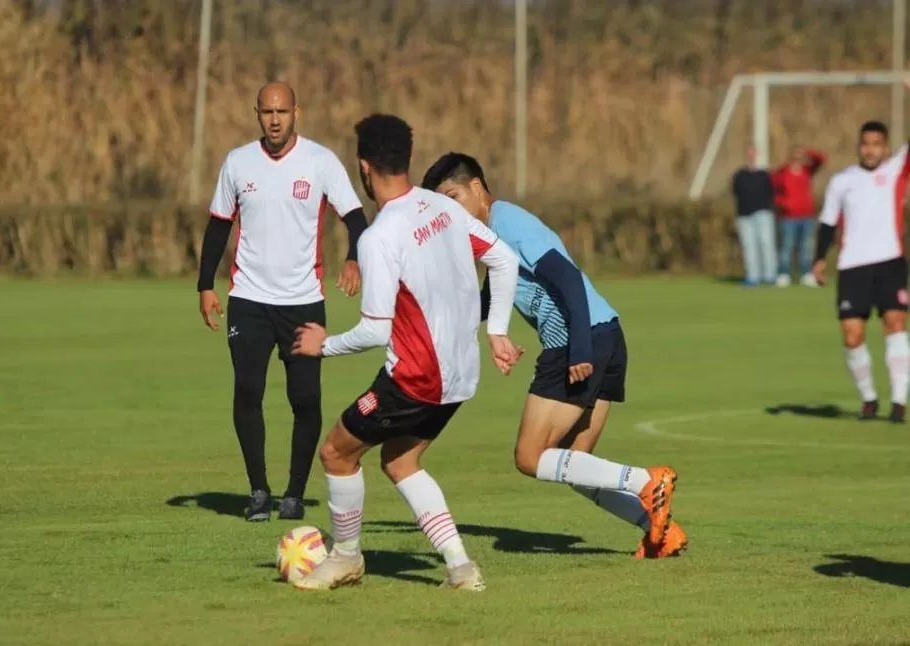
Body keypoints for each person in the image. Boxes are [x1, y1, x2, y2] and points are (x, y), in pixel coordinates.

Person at [290, 114, 521, 592]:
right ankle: (461, 568)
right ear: (407, 159)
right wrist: (496, 329)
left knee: (335, 453)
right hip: (460, 377)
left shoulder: (379, 238)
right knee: (400, 462)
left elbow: (376, 330)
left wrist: (322, 346)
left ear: (363, 167)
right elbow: (504, 258)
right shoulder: (443, 208)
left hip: (416, 380)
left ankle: (345, 558)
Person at [421, 152, 686, 559]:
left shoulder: (507, 221)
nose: (448, 210)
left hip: (580, 341)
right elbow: (492, 295)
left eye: (452, 197)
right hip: (607, 335)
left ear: (478, 188)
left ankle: (646, 480)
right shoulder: (493, 235)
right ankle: (657, 528)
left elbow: (566, 278)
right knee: (574, 465)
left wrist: (578, 348)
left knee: (530, 457)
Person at [196, 82, 369, 522]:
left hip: (303, 302)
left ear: (297, 112)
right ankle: (258, 491)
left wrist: (353, 259)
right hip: (249, 300)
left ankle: (293, 493)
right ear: (256, 113)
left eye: (283, 111)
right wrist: (205, 285)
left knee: (306, 399)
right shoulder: (237, 162)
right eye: (267, 112)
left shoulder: (320, 161)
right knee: (248, 391)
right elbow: (218, 226)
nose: (275, 119)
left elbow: (356, 219)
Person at [812, 120, 910, 423]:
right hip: (852, 268)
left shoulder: (895, 170)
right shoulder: (842, 181)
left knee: (895, 324)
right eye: (865, 143)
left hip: (890, 263)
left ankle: (898, 401)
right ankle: (868, 398)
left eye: (876, 144)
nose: (870, 149)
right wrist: (819, 258)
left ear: (886, 148)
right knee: (852, 336)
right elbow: (828, 222)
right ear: (859, 146)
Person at [772, 146, 826, 287]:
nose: (798, 159)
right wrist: (783, 204)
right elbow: (773, 192)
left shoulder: (807, 171)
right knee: (787, 246)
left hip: (807, 216)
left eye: (800, 157)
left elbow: (821, 159)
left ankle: (806, 274)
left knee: (806, 247)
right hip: (788, 217)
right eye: (795, 156)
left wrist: (808, 151)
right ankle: (783, 274)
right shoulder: (782, 173)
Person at [731, 146, 778, 286]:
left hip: (763, 213)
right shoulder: (739, 175)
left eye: (754, 153)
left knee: (766, 243)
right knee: (748, 246)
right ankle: (752, 276)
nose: (752, 156)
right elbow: (735, 192)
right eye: (750, 153)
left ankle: (770, 276)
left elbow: (771, 193)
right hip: (744, 215)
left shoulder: (765, 175)